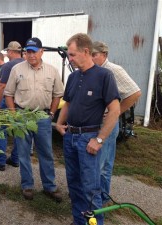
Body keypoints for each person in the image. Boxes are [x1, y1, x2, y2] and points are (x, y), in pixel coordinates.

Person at [55, 33, 120, 225]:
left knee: (90, 188)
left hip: (89, 138)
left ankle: (95, 223)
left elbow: (115, 110)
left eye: (73, 54)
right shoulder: (73, 77)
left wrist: (99, 139)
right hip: (70, 137)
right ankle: (79, 221)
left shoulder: (104, 75)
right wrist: (59, 123)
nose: (70, 58)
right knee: (74, 184)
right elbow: (67, 103)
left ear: (86, 51)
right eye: (69, 54)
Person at [4, 37, 64, 202]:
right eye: (28, 52)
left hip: (43, 117)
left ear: (41, 51)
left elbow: (58, 94)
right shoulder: (17, 69)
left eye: (34, 51)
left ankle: (50, 186)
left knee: (46, 153)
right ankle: (27, 185)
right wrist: (14, 114)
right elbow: (8, 94)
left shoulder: (52, 71)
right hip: (22, 116)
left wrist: (51, 113)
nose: (31, 55)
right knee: (23, 153)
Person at [92, 41, 141, 204]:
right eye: (90, 54)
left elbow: (135, 92)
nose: (92, 58)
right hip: (94, 122)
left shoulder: (113, 70)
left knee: (102, 163)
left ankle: (100, 199)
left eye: (95, 55)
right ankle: (95, 194)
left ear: (104, 55)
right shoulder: (95, 71)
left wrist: (116, 112)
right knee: (96, 161)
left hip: (107, 123)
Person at [0, 41, 25, 171]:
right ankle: (15, 159)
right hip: (20, 102)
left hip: (6, 101)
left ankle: (1, 162)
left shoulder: (8, 65)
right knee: (18, 131)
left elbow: (2, 86)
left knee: (0, 130)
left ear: (10, 52)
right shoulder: (26, 64)